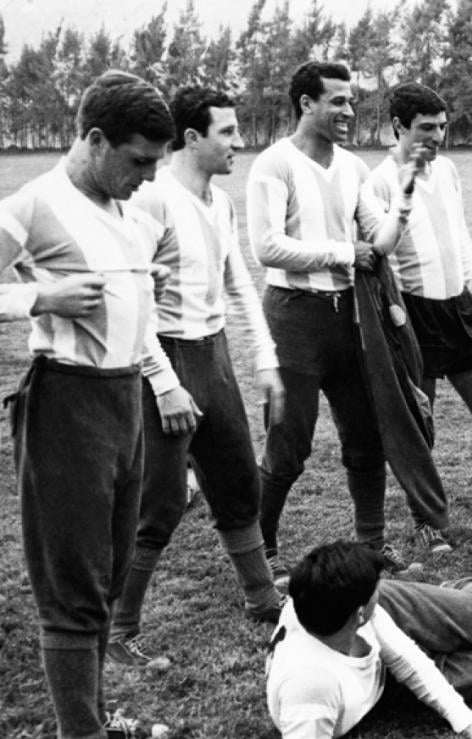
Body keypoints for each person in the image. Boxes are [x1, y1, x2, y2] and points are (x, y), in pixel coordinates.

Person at [0, 70, 174, 739]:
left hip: (124, 399)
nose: (148, 177)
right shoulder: (33, 202)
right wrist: (39, 298)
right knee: (73, 579)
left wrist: (144, 286)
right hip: (66, 406)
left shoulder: (125, 205)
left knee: (107, 566)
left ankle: (97, 715)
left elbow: (120, 299)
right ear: (95, 139)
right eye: (138, 161)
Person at [106, 87, 288, 670]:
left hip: (213, 357)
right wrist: (164, 383)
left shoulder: (220, 201)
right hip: (159, 359)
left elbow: (239, 285)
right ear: (191, 138)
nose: (241, 143)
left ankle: (262, 598)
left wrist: (264, 359)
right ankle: (118, 630)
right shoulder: (152, 200)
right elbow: (130, 298)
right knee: (157, 503)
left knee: (238, 479)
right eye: (228, 132)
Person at [247, 61, 449, 576]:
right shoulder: (274, 164)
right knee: (289, 443)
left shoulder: (354, 168)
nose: (349, 111)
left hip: (352, 319)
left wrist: (402, 200)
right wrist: (343, 253)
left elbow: (378, 243)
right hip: (294, 318)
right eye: (337, 101)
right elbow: (267, 247)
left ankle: (372, 545)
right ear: (306, 104)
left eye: (351, 101)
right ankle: (261, 547)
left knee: (366, 435)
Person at [368, 83, 472, 536]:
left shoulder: (449, 170)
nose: (438, 136)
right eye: (426, 129)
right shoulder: (379, 180)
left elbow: (458, 233)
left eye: (442, 127)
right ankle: (427, 522)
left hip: (457, 309)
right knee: (422, 426)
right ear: (398, 126)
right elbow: (383, 253)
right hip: (412, 316)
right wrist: (395, 318)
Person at [266, 541, 472, 739]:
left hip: (390, 615)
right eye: (374, 590)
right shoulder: (311, 685)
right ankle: (445, 628)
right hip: (381, 686)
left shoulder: (322, 604)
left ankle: (454, 594)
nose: (377, 592)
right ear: (359, 613)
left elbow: (405, 657)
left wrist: (467, 723)